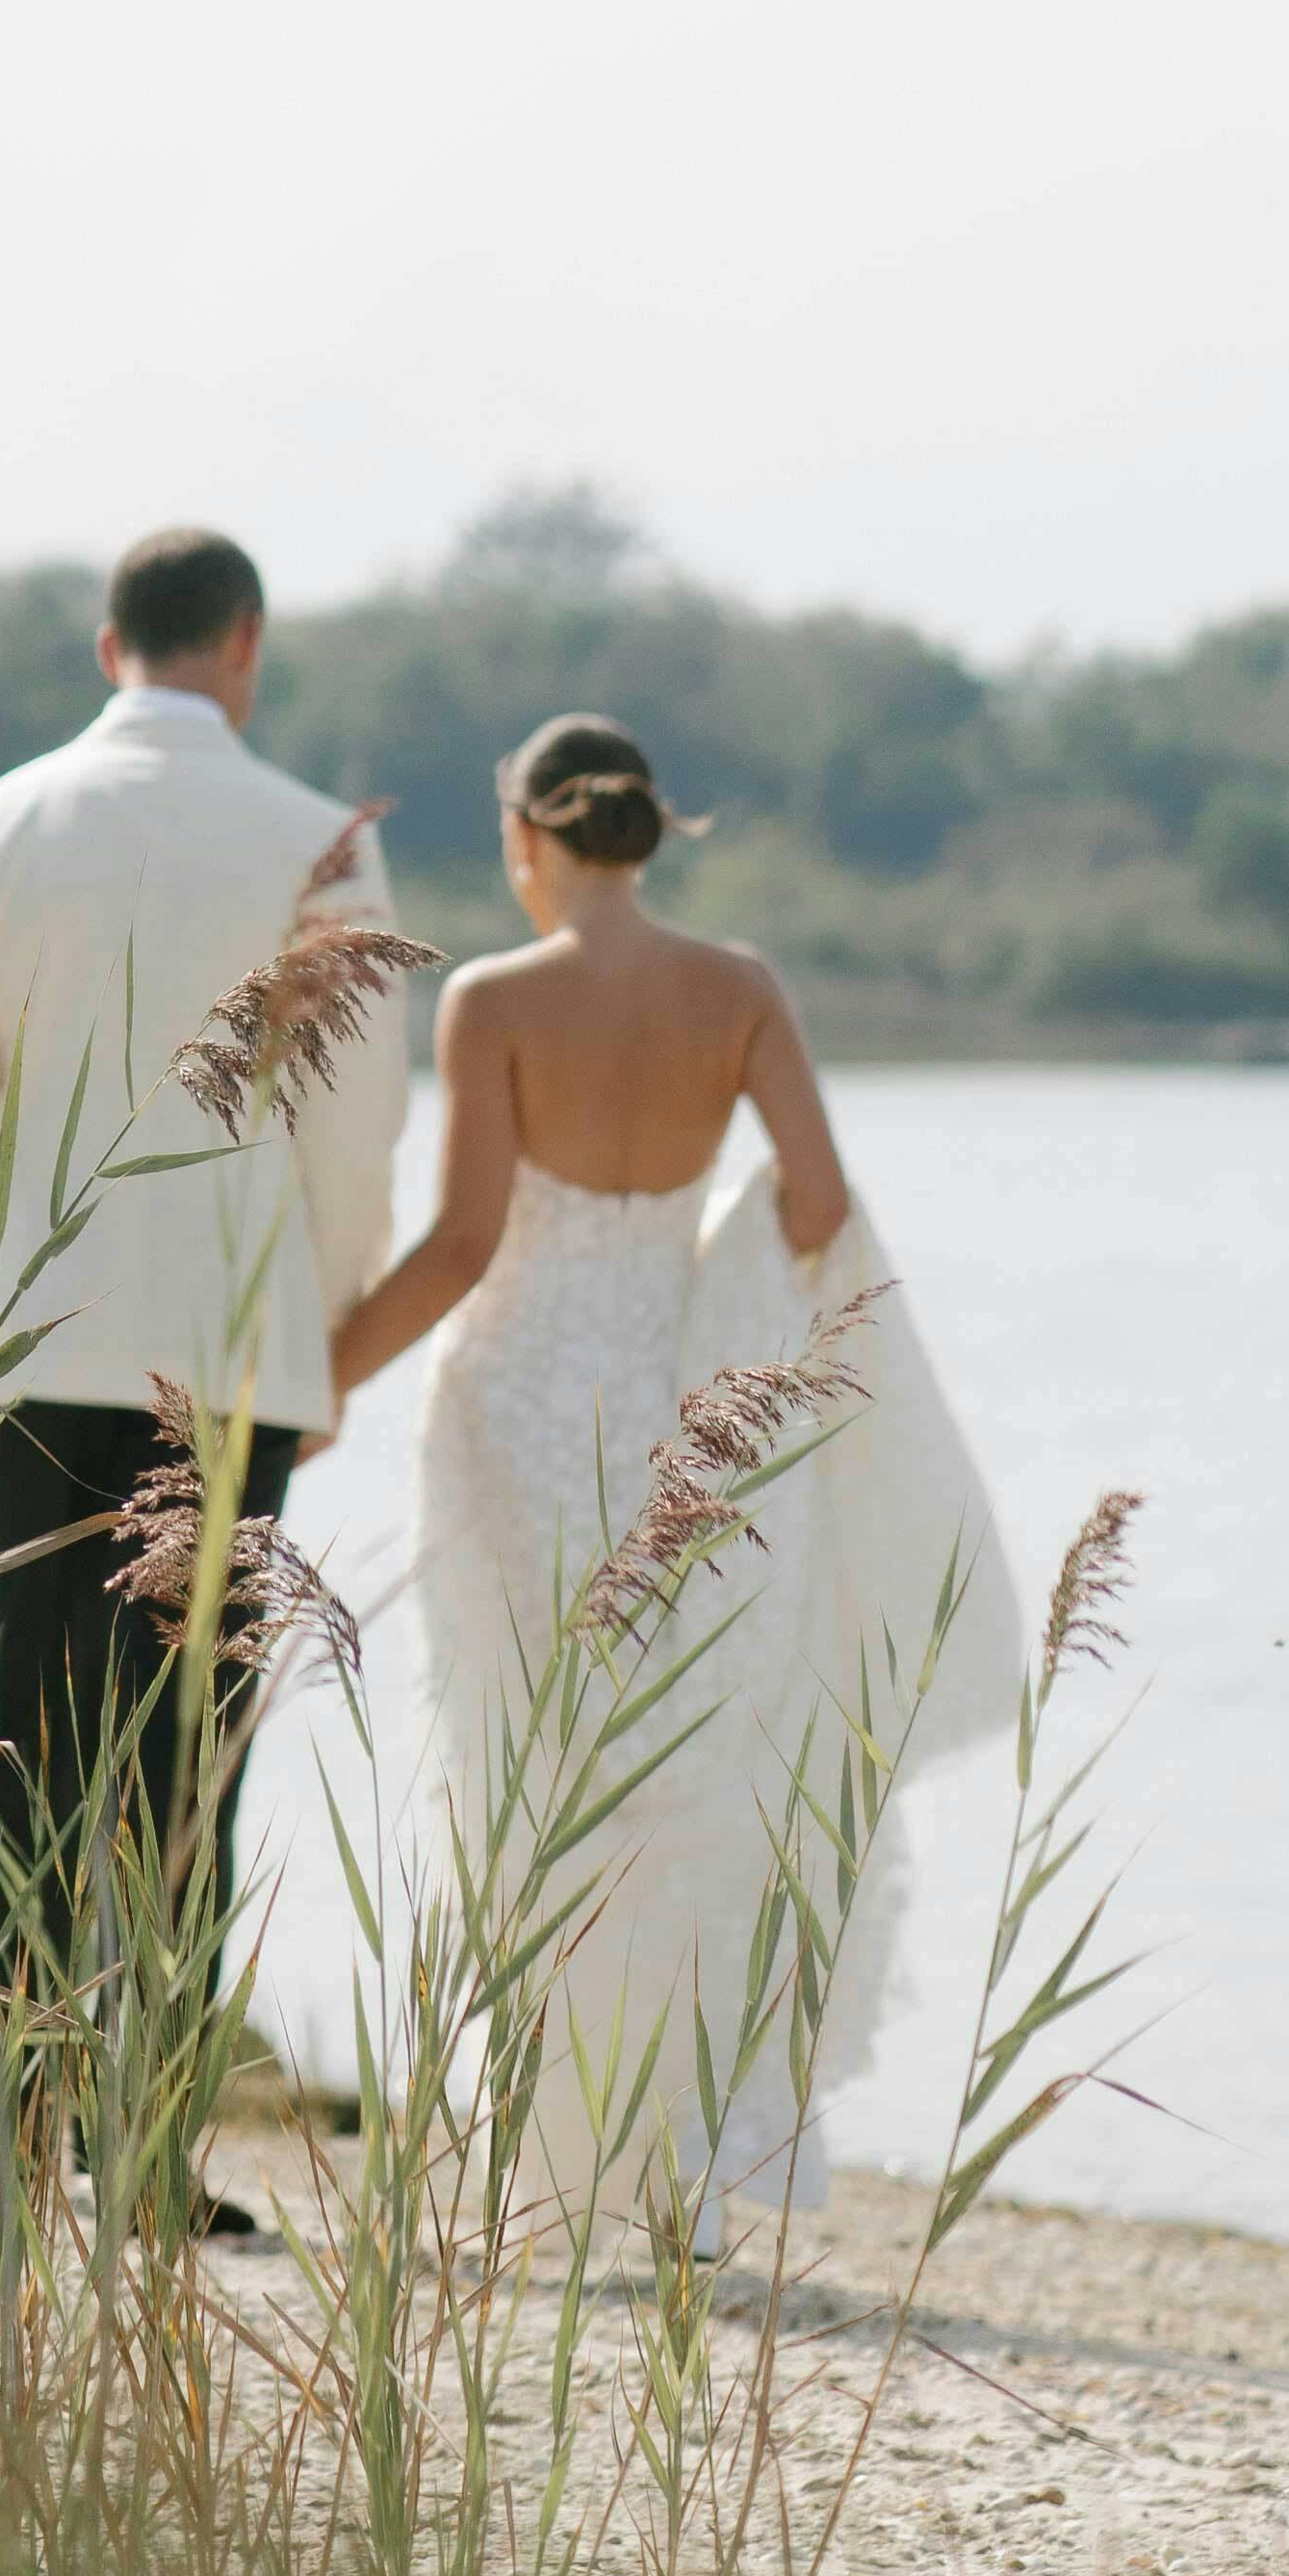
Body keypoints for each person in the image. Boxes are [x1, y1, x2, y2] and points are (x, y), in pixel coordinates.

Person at [325, 710, 1018, 2231]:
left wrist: (316, 1380)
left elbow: (457, 1250)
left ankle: (555, 2144)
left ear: (526, 837)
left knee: (531, 1764)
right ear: (645, 829)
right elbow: (819, 1200)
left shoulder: (496, 1000)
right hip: (687, 1419)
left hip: (515, 1413)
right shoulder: (742, 990)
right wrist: (712, 1280)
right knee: (690, 1757)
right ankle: (691, 2139)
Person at [0, 526, 410, 2155]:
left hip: (42, 1338)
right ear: (243, 644)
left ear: (107, 644)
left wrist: (36, 1235)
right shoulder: (320, 842)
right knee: (194, 1747)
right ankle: (149, 2136)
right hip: (237, 1346)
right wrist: (320, 1332)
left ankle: (23, 2103)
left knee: (29, 1719)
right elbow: (359, 1131)